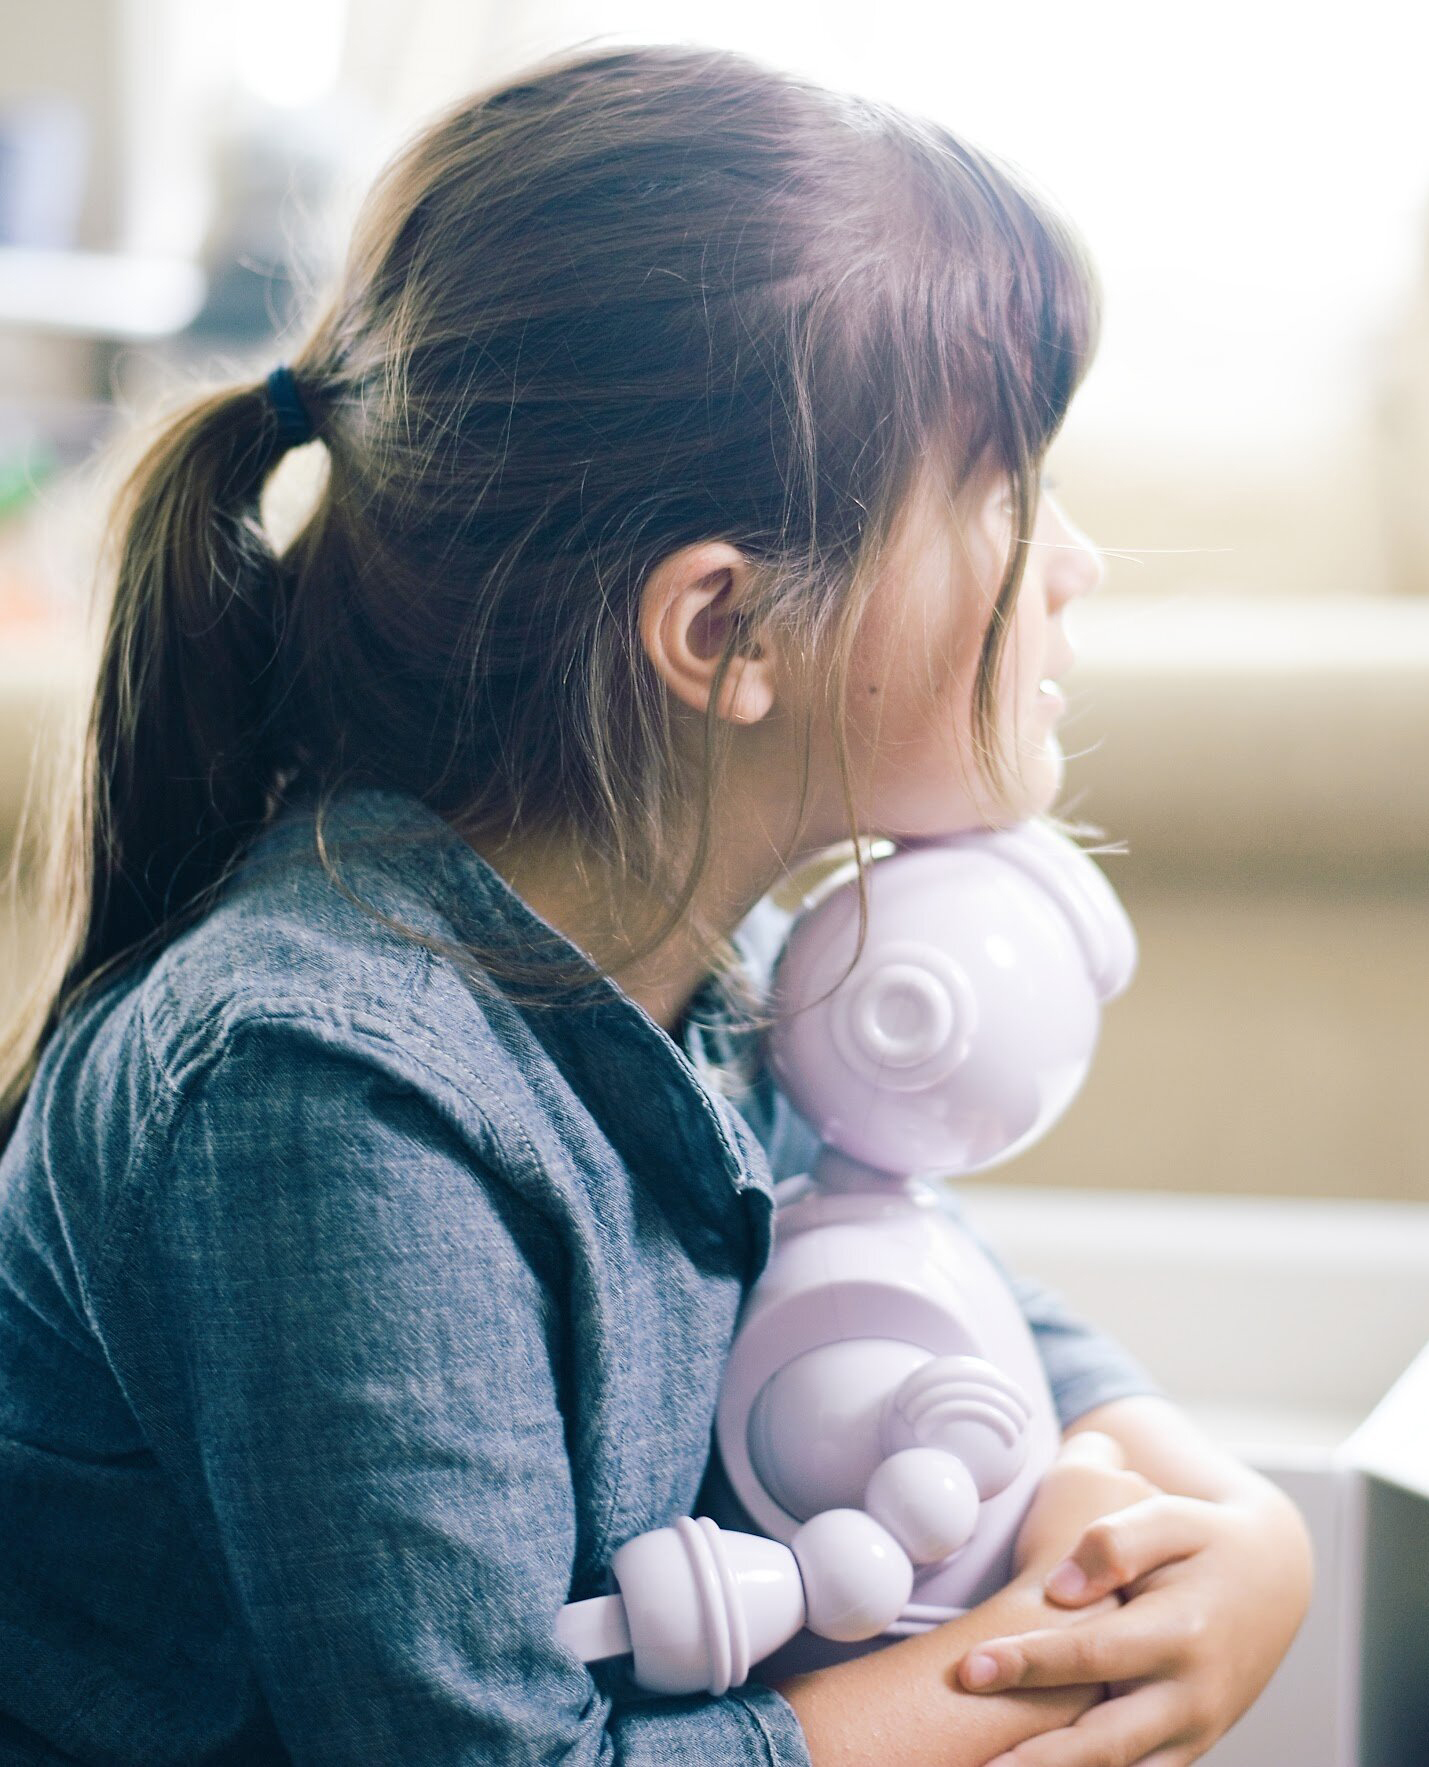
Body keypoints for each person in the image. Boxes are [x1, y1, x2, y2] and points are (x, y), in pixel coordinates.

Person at [0, 39, 1312, 1767]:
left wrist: (1239, 1527)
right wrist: (1028, 1664)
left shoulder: (694, 964)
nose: (1069, 564)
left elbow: (917, 1269)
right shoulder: (319, 1089)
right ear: (723, 632)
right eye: (1004, 492)